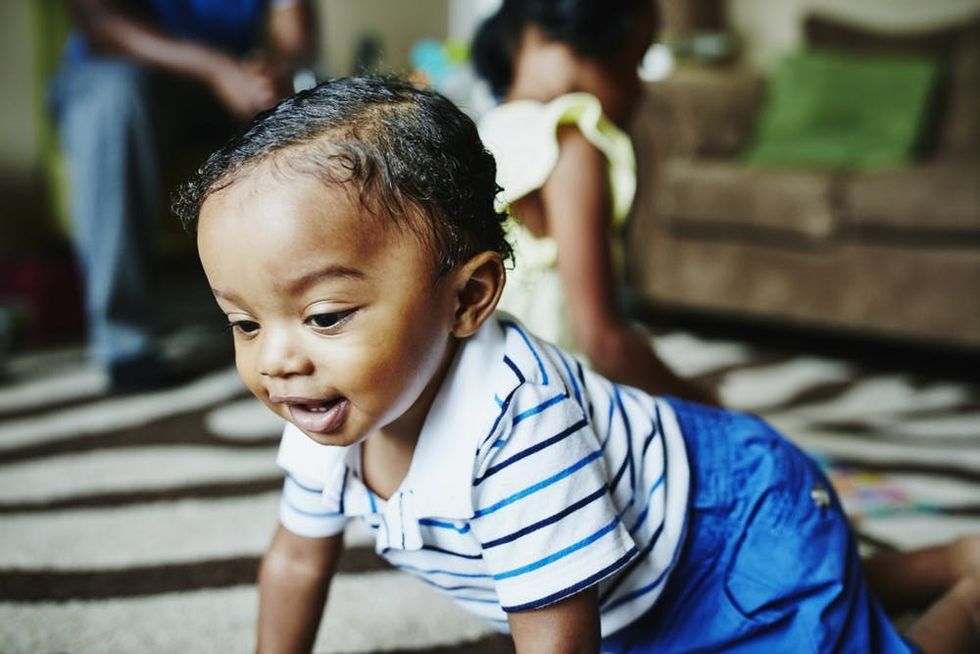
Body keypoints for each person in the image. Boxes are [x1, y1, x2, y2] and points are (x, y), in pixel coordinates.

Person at [173, 77, 979, 653]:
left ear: (470, 296)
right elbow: (293, 560)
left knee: (816, 615)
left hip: (733, 533)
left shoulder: (520, 430)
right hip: (634, 590)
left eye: (324, 317)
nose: (277, 359)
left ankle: (966, 597)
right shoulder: (328, 404)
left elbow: (558, 631)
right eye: (243, 323)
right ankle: (935, 562)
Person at [50, 0, 316, 391]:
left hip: (224, 84)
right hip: (121, 67)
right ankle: (125, 341)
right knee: (114, 99)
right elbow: (101, 23)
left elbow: (292, 27)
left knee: (308, 103)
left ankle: (294, 312)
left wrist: (272, 69)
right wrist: (214, 66)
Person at [472, 0, 717, 405]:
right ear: (588, 33)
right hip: (556, 412)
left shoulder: (485, 134)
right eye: (635, 61)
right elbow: (604, 343)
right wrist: (707, 405)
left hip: (492, 402)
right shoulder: (571, 141)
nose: (639, 90)